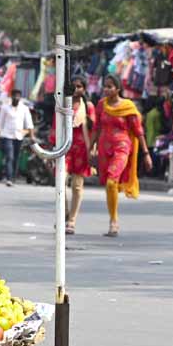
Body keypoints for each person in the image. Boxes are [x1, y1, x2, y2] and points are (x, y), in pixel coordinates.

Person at [93, 75, 152, 237]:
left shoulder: (128, 106)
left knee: (112, 181)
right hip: (105, 149)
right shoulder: (101, 105)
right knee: (109, 184)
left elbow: (139, 132)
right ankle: (112, 217)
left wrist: (146, 154)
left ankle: (114, 221)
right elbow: (97, 128)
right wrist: (91, 147)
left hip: (122, 147)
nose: (106, 89)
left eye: (110, 86)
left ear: (118, 89)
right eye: (105, 86)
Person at [63, 77, 95, 235]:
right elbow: (56, 126)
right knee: (60, 182)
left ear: (84, 89)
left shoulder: (88, 107)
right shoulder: (63, 104)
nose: (76, 89)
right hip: (65, 148)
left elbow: (94, 130)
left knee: (77, 186)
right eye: (73, 86)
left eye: (79, 86)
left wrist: (93, 150)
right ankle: (64, 213)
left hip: (82, 149)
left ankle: (72, 220)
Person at [0, 89, 35, 186]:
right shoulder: (5, 108)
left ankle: (13, 177)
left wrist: (32, 136)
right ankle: (9, 178)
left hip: (19, 136)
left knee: (16, 158)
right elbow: (0, 123)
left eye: (18, 96)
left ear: (20, 97)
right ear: (11, 97)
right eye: (15, 96)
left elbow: (29, 123)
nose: (16, 98)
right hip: (7, 135)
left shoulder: (24, 108)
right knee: (10, 156)